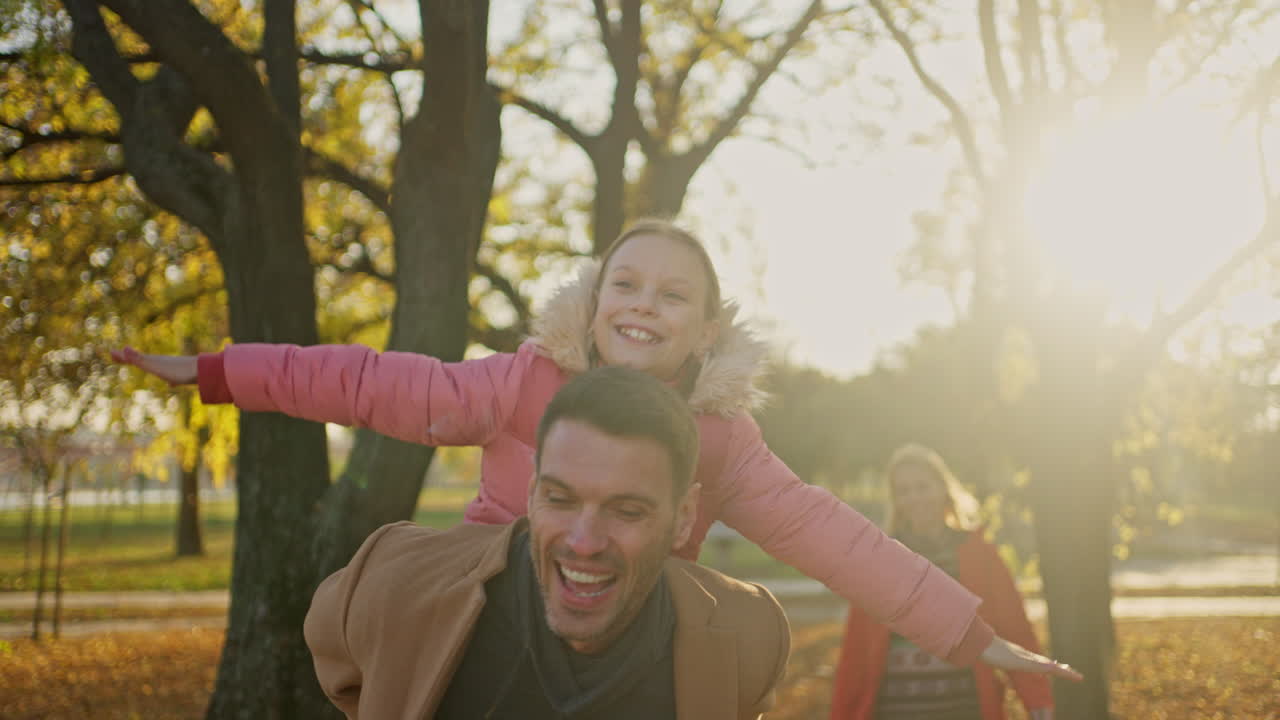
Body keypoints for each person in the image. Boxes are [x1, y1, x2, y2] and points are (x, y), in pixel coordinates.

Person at [113, 218, 1081, 680]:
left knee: (729, 622)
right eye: (625, 285)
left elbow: (828, 534)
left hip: (628, 615)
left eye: (670, 296)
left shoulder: (722, 442)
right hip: (498, 590)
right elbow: (371, 383)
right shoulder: (518, 381)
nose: (642, 306)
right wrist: (217, 371)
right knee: (389, 585)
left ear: (704, 332)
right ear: (592, 300)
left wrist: (970, 631)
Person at [304, 366, 791, 719]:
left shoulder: (749, 636)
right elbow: (342, 673)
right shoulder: (391, 584)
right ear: (533, 491)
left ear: (683, 517)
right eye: (560, 498)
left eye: (627, 511)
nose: (584, 542)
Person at [829, 444, 1054, 720]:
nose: (915, 497)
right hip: (895, 711)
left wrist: (1037, 698)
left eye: (923, 486)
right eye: (904, 491)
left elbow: (1015, 630)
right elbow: (857, 652)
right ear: (896, 500)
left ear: (943, 488)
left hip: (965, 708)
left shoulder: (980, 554)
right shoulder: (880, 559)